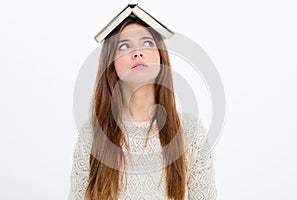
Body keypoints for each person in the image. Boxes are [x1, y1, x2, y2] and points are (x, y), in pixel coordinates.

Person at [68, 15, 217, 200]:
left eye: (147, 43)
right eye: (124, 46)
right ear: (111, 63)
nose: (138, 52)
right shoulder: (91, 135)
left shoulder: (190, 132)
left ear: (161, 56)